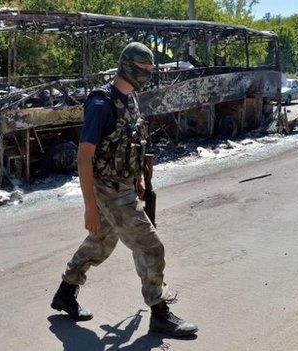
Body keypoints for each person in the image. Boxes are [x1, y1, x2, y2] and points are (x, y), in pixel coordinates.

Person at [51, 42, 198, 337]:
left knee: (101, 243)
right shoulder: (100, 104)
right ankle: (159, 312)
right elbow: (84, 156)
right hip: (109, 191)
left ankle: (65, 293)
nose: (149, 74)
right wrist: (90, 206)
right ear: (129, 67)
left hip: (125, 185)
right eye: (145, 69)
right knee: (151, 247)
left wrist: (138, 178)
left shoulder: (130, 99)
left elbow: (130, 141)